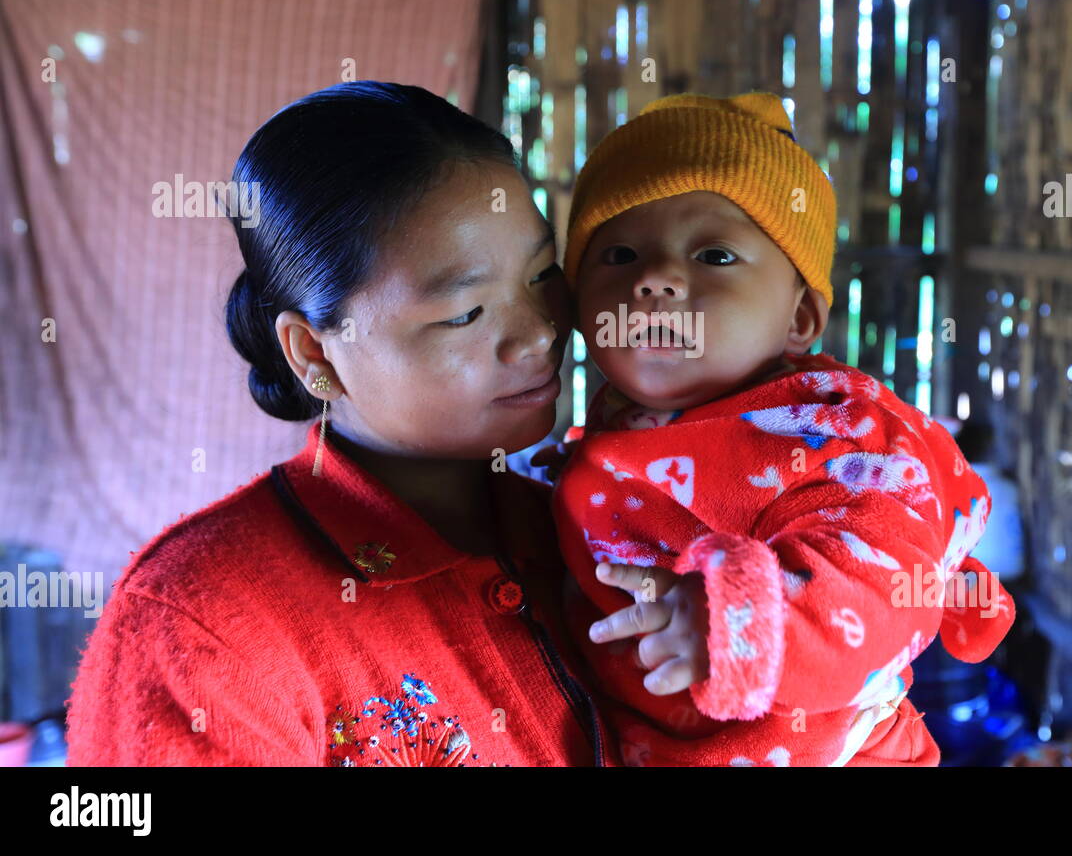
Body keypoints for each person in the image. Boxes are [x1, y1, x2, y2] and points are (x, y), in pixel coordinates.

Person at [66, 81, 658, 766]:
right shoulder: (199, 625)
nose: (540, 334)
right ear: (316, 352)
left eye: (542, 273)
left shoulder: (599, 530)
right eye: (464, 314)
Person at [551, 92, 1017, 766]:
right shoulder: (620, 427)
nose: (655, 280)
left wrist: (738, 623)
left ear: (798, 319)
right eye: (618, 255)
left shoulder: (829, 439)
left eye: (713, 256)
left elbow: (887, 583)